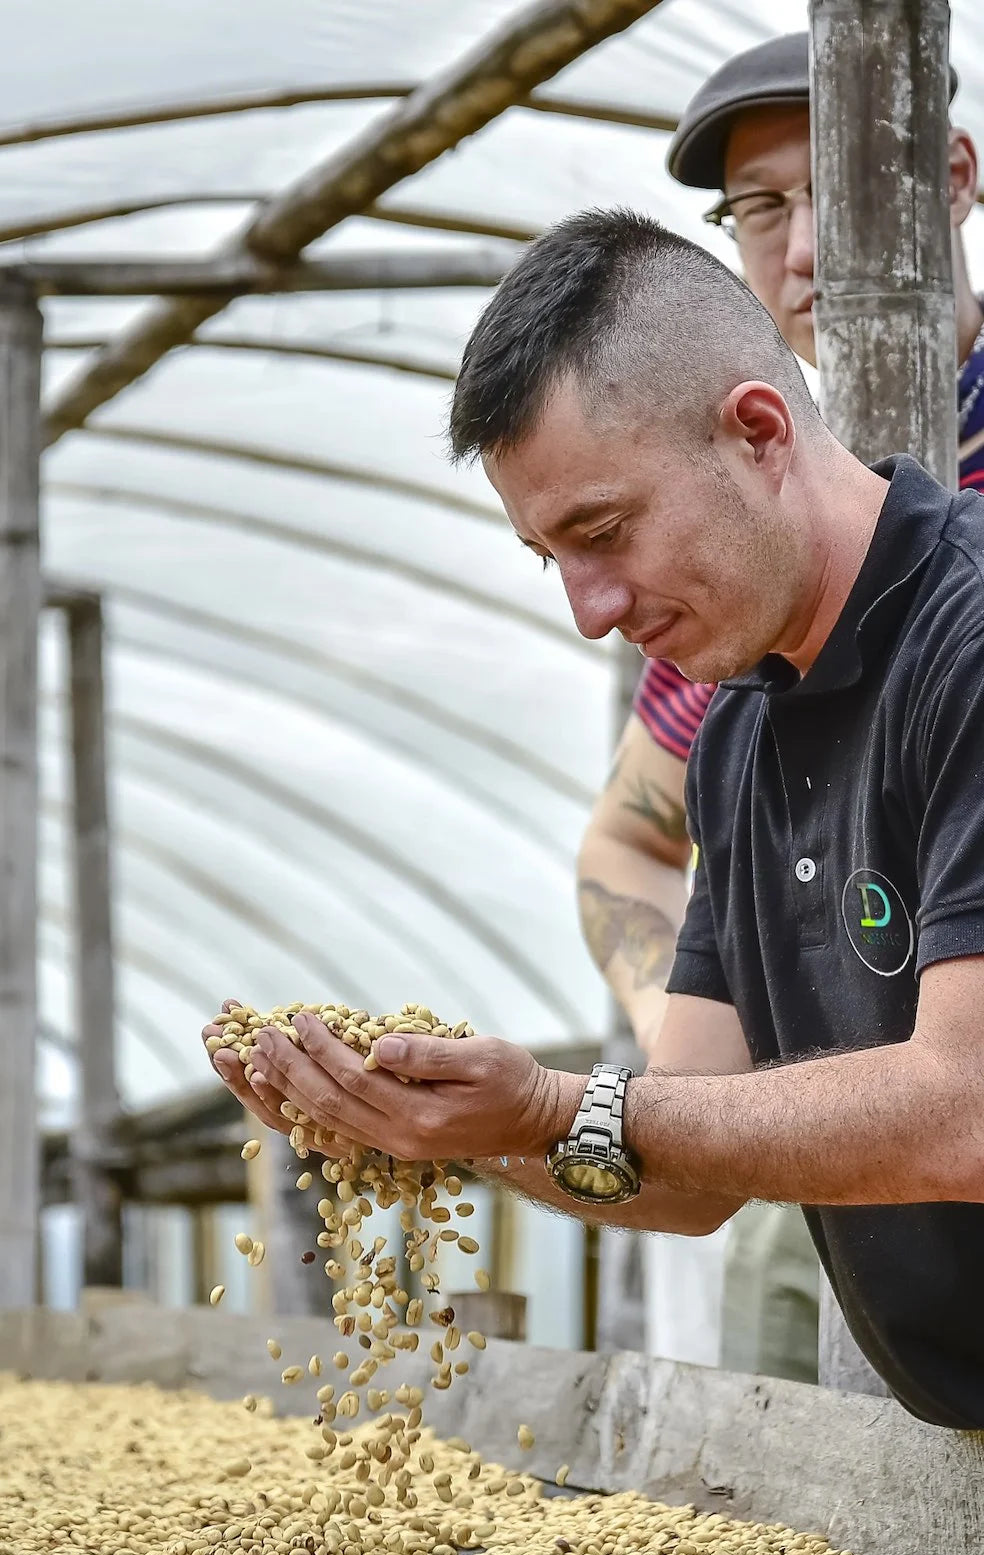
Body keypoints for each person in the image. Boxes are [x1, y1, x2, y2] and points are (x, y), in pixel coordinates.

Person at [211, 207, 984, 1429]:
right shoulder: (737, 735)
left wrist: (549, 1106)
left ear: (758, 432)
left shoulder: (968, 644)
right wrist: (429, 1127)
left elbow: (968, 1109)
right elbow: (681, 1177)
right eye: (548, 557)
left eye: (604, 532)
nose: (589, 608)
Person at [576, 30, 984, 1383]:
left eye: (840, 194)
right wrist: (723, 1070)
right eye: (760, 208)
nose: (803, 249)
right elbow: (627, 840)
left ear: (954, 184)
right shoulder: (753, 582)